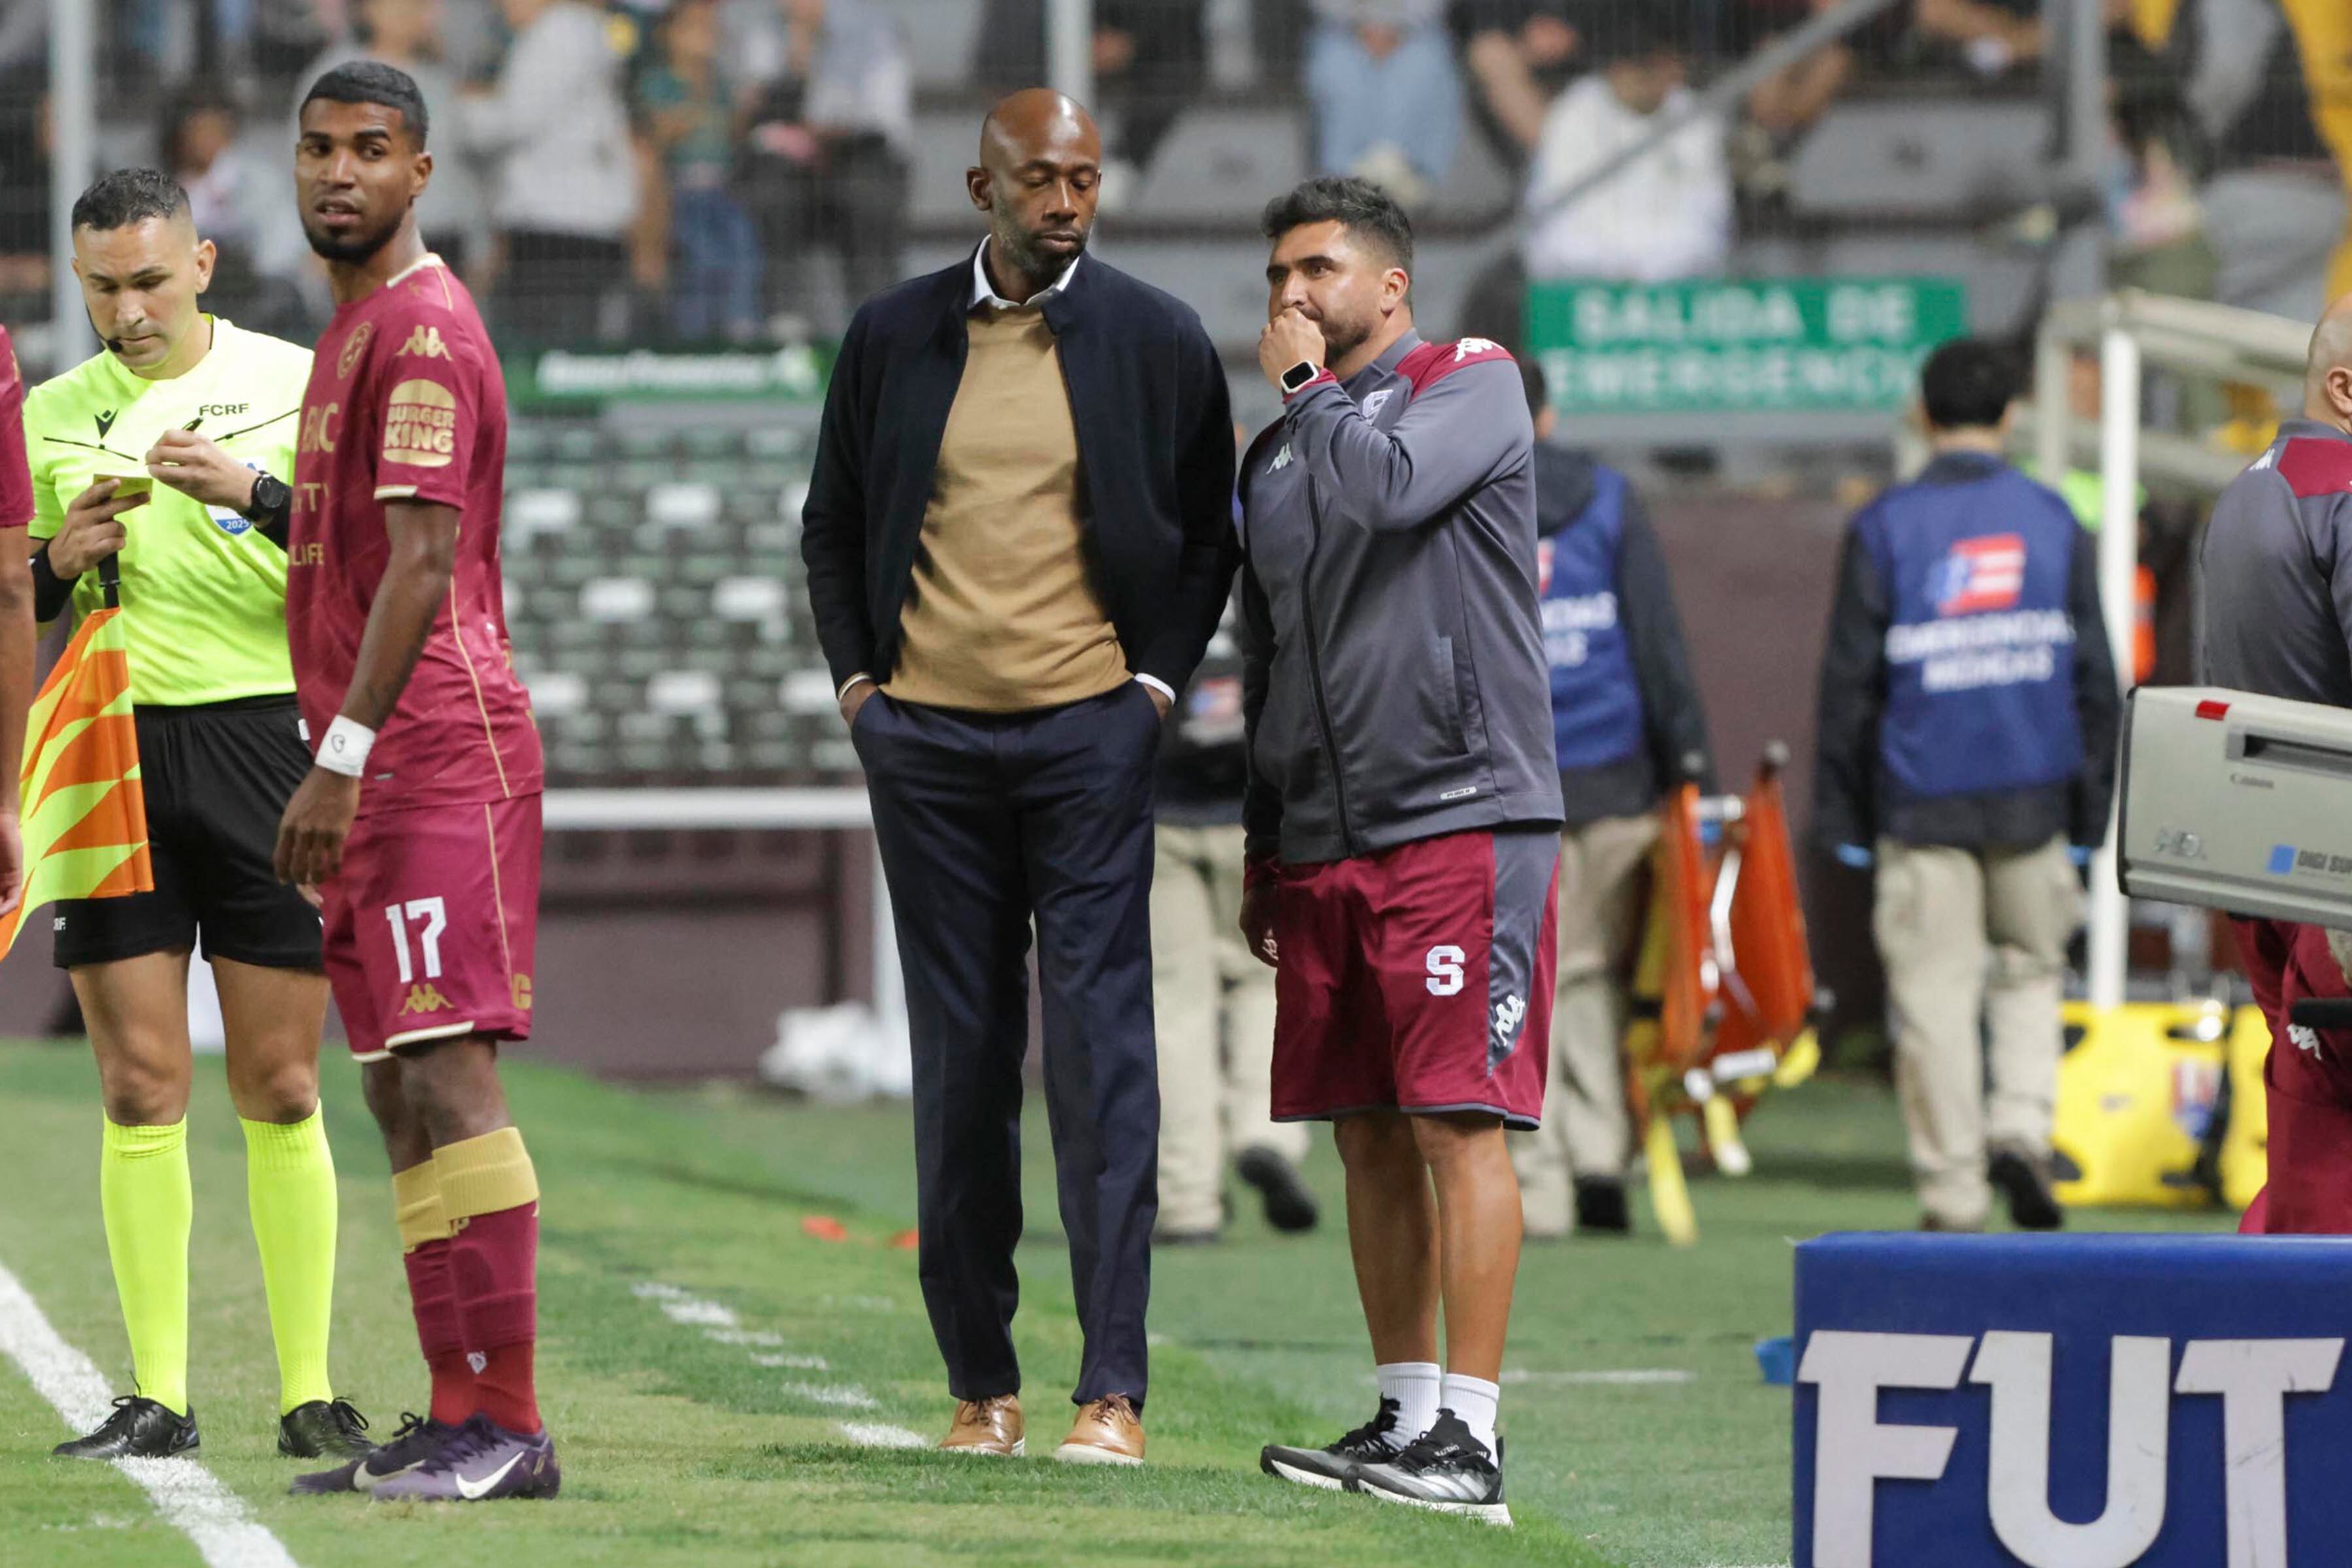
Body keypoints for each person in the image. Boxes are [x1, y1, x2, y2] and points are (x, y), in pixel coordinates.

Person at [801, 90, 1235, 1466]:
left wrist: (1151, 690)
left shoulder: (1158, 337)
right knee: (963, 1066)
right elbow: (831, 528)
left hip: (1087, 740)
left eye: (1087, 179)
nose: (1066, 202)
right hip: (924, 748)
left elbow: (1209, 536)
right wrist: (864, 693)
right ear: (978, 181)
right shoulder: (892, 334)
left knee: (1105, 1062)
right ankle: (979, 1383)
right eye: (1040, 178)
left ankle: (1111, 1392)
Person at [22, 170, 366, 1465]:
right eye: (104, 285)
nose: (129, 308)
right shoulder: (51, 415)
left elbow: (376, 561)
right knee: (139, 1081)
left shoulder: (295, 382)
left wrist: (255, 494)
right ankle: (155, 1395)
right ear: (79, 281)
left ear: (204, 263)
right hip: (111, 753)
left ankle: (310, 1391)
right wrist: (53, 565)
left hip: (266, 744)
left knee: (280, 1082)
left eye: (151, 279)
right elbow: (13, 610)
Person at [1241, 177, 1561, 1523]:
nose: (1291, 295)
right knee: (1366, 1133)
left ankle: (1475, 1446)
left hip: (1459, 812)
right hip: (1325, 835)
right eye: (1277, 276)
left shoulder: (1469, 380)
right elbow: (1268, 651)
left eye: (1318, 268)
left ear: (1391, 286)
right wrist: (1268, 838)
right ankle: (1407, 1416)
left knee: (1453, 1119)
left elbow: (1389, 495)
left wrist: (1309, 394)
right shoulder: (1273, 458)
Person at [278, 61, 555, 1501]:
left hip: (436, 753)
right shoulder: (354, 331)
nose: (340, 173)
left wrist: (337, 760)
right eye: (319, 148)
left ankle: (509, 1425)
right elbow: (350, 552)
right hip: (381, 765)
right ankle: (455, 1411)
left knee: (449, 1070)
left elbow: (427, 572)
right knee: (393, 1088)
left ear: (422, 172)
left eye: (371, 150)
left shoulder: (428, 336)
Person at [1812, 338, 2120, 1235]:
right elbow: (2095, 678)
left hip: (1921, 798)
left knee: (1935, 998)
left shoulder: (1884, 525)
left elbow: (1849, 686)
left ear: (1922, 414)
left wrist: (1845, 816)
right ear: (2012, 417)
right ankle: (2021, 1133)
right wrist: (2090, 811)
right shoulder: (2054, 517)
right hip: (2036, 791)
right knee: (2030, 974)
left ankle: (1953, 1190)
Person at [1509, 359, 1715, 1239]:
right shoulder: (1607, 494)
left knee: (1530, 977)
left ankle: (1548, 1178)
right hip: (1616, 779)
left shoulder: (1449, 495)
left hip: (1509, 788)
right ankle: (1601, 1156)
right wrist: (1687, 762)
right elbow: (1655, 636)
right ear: (1548, 414)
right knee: (1585, 970)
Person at [2198, 295, 2352, 1233]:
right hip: (2338, 878)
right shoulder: (2346, 496)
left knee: (2309, 1133)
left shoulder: (2249, 490)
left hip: (2261, 867)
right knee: (2324, 1175)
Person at [1152, 599, 1316, 1245]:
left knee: (1175, 1004)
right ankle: (1265, 1132)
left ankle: (1189, 1199)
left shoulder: (1145, 521)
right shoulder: (1283, 516)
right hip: (1262, 810)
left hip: (1160, 808)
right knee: (1268, 984)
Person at [455, 0, 638, 344]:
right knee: (573, 350)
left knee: (549, 355)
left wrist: (451, 110)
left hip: (559, 227)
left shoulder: (559, 31)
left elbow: (514, 119)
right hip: (578, 224)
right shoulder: (578, 29)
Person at [736, 0, 913, 333]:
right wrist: (797, 60)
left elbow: (883, 120)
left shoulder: (875, 32)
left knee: (866, 194)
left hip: (859, 157)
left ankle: (875, 321)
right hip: (795, 168)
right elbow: (759, 117)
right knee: (771, 189)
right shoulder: (765, 34)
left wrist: (823, 134)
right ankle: (783, 317)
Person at [1522, 14, 1730, 286]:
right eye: (1638, 65)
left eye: (1658, 65)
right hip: (1585, 281)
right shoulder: (1574, 112)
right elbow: (1553, 221)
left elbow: (1708, 218)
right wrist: (1614, 270)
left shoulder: (1693, 117)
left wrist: (1648, 271)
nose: (1646, 76)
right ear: (1614, 67)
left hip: (1673, 283)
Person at [636, 0, 762, 340]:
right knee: (701, 259)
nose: (707, 38)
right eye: (695, 29)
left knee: (743, 249)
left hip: (720, 189)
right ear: (670, 36)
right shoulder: (659, 82)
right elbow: (658, 135)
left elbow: (731, 133)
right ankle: (693, 334)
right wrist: (690, 104)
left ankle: (740, 326)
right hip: (681, 191)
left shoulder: (720, 82)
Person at [1303, 2, 1464, 206]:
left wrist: (1395, 26)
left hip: (1416, 31)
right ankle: (1343, 179)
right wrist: (1360, 23)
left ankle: (1414, 178)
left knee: (1426, 66)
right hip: (1342, 31)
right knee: (1336, 70)